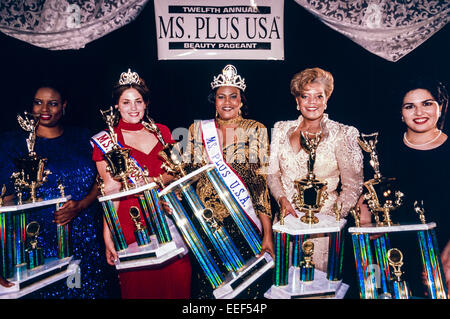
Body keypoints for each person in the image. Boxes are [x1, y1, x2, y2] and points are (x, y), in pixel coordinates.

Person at [0, 82, 118, 298]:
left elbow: (101, 182)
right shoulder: (12, 143)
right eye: (38, 103)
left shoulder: (83, 138)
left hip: (86, 240)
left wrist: (81, 205)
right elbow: (5, 200)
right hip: (36, 243)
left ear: (64, 106)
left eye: (52, 104)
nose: (44, 110)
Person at [92, 68, 192, 299]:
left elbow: (175, 174)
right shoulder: (107, 141)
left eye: (138, 101)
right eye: (126, 102)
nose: (133, 108)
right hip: (131, 220)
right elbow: (111, 190)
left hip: (168, 216)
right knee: (141, 289)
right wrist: (109, 235)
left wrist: (154, 180)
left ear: (146, 103)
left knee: (178, 283)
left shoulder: (162, 132)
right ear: (116, 105)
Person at [181, 64, 274, 299]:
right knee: (211, 288)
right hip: (205, 223)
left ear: (242, 100)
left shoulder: (255, 129)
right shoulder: (196, 129)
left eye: (234, 96)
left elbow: (259, 184)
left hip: (244, 222)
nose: (227, 102)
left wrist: (267, 233)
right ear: (214, 100)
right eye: (221, 97)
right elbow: (183, 174)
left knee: (249, 289)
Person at [359, 78, 450, 298]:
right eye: (410, 106)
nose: (419, 112)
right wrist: (365, 222)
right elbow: (367, 193)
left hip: (443, 249)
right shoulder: (382, 149)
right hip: (391, 249)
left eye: (427, 103)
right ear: (401, 113)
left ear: (441, 106)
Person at [267, 67, 364, 272]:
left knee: (316, 289)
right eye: (305, 96)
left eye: (318, 96)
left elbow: (353, 187)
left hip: (322, 231)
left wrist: (330, 218)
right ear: (297, 101)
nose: (312, 102)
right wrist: (281, 200)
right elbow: (272, 174)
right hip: (286, 223)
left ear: (326, 99)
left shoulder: (342, 133)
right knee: (284, 286)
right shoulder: (281, 129)